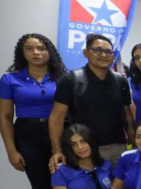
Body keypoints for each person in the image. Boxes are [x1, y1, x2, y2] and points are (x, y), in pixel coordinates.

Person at [0, 33, 66, 189]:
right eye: (29, 48)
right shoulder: (10, 79)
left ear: (49, 52)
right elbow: (5, 118)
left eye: (42, 48)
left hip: (62, 132)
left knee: (66, 184)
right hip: (29, 135)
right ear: (22, 52)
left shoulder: (63, 76)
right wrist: (11, 151)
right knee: (42, 187)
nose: (36, 52)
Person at [49, 33, 134, 168]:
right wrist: (57, 150)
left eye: (108, 51)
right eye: (97, 50)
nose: (103, 55)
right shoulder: (71, 80)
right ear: (86, 53)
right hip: (85, 150)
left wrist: (133, 145)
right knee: (91, 188)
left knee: (123, 188)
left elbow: (127, 116)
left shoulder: (120, 80)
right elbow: (56, 117)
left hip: (118, 148)